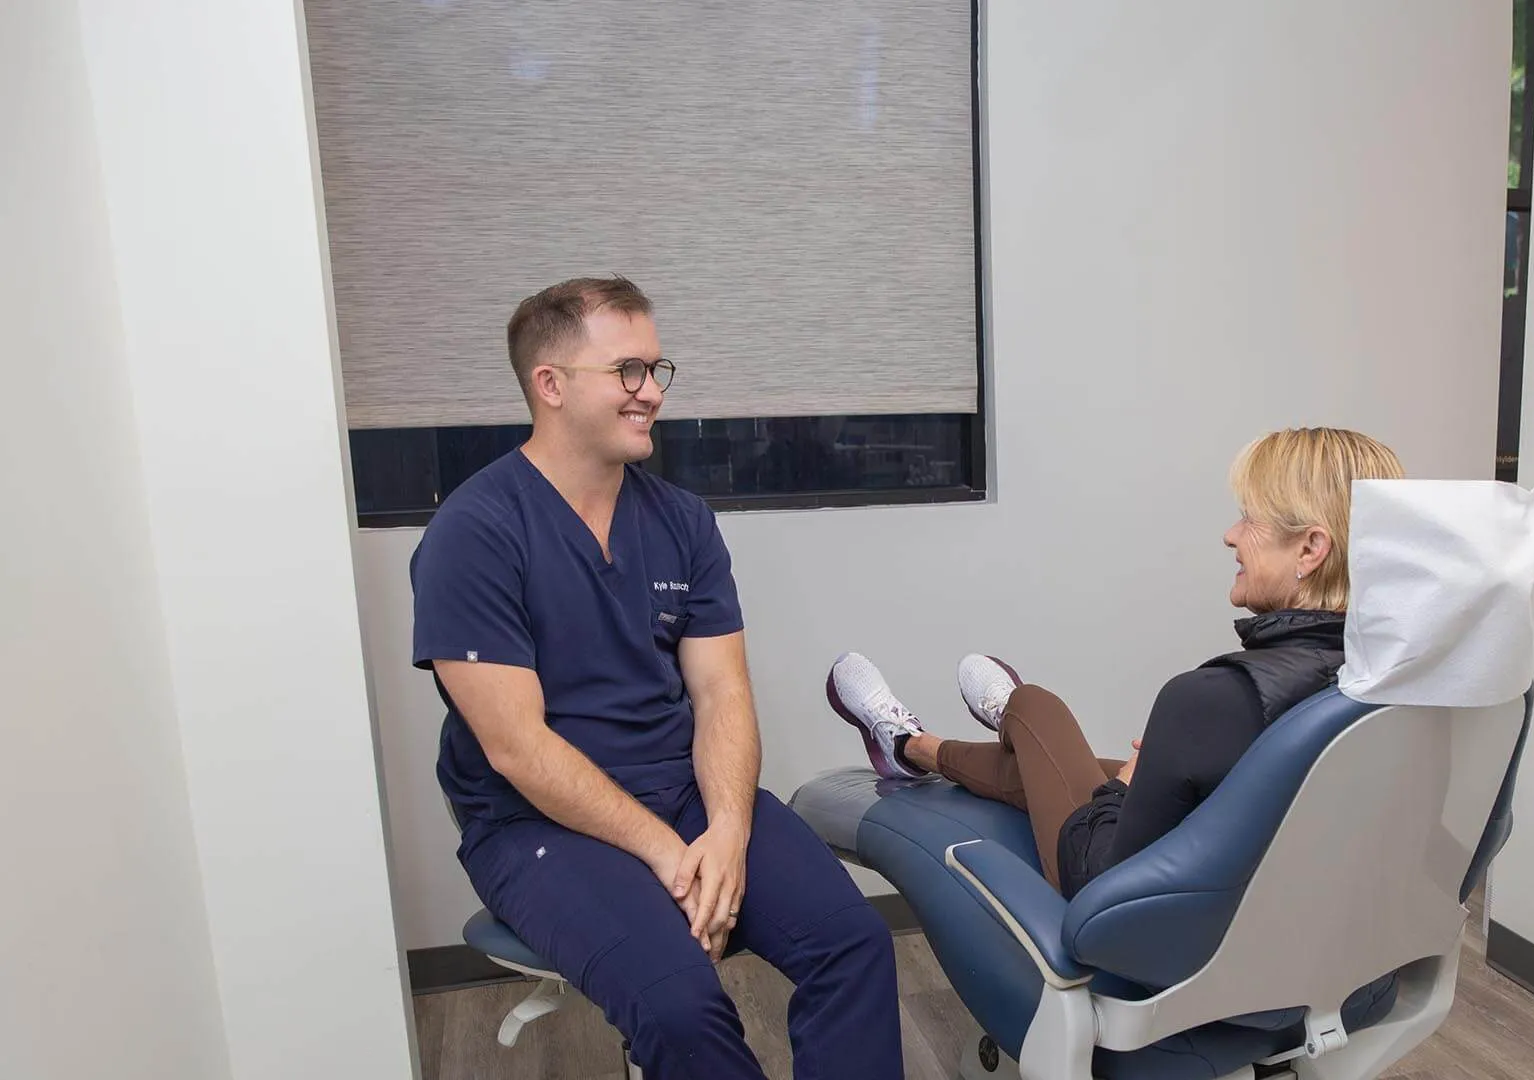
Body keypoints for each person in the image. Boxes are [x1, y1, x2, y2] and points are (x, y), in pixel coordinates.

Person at [410, 276, 902, 1080]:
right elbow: (516, 749)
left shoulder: (680, 519)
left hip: (684, 792)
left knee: (854, 945)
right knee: (680, 1007)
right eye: (628, 371)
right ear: (550, 384)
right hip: (535, 824)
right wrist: (671, 856)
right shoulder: (474, 533)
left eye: (656, 369)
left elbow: (721, 693)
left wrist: (728, 834)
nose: (652, 392)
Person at [828, 428, 1404, 898]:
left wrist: (1122, 792)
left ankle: (933, 741)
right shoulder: (1389, 679)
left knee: (1037, 707)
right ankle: (939, 746)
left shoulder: (1214, 700)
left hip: (1167, 951)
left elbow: (1095, 876)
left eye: (1249, 519)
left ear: (1310, 548)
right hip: (1322, 952)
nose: (1230, 536)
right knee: (1066, 761)